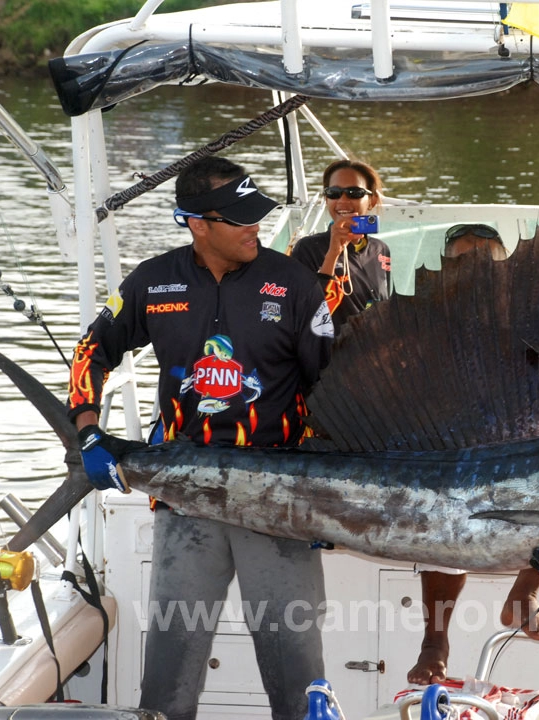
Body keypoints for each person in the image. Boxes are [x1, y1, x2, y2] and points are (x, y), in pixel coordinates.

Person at [68, 156, 335, 720]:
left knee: (300, 688)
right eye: (238, 218)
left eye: (255, 214)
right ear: (195, 223)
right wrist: (90, 433)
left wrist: (330, 500)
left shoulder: (294, 284)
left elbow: (333, 387)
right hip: (184, 501)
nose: (253, 227)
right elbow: (93, 351)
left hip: (278, 501)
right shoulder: (153, 280)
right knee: (167, 689)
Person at [408, 223, 539, 686]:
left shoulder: (534, 324)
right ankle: (435, 641)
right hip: (447, 455)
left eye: (486, 264)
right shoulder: (420, 324)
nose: (473, 274)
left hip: (524, 454)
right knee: (444, 509)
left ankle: (523, 596)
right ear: (445, 267)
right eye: (461, 263)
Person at [290, 159, 392, 332]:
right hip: (333, 354)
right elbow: (304, 314)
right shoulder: (307, 248)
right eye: (334, 193)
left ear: (372, 200)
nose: (343, 201)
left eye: (354, 192)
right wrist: (333, 253)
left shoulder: (380, 249)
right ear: (326, 199)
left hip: (373, 352)